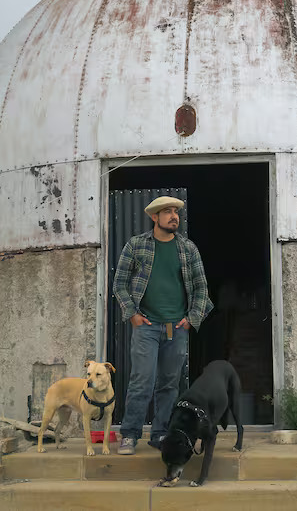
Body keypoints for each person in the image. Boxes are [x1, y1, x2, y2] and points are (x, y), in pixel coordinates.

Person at [112, 195, 213, 455]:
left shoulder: (188, 248)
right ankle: (130, 434)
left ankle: (160, 434)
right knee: (141, 381)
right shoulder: (136, 245)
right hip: (146, 325)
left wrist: (192, 319)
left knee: (170, 384)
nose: (173, 216)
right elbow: (120, 283)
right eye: (167, 212)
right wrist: (132, 314)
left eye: (176, 212)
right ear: (154, 217)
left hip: (176, 327)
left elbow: (201, 287)